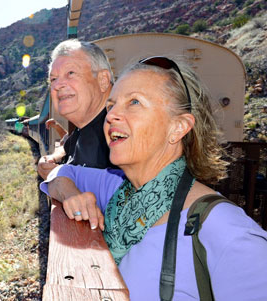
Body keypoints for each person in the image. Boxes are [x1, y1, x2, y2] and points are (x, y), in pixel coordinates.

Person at [40, 57, 267, 300]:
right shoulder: (117, 188)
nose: (111, 115)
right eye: (111, 105)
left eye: (134, 102)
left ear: (178, 127)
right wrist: (71, 194)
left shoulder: (227, 231)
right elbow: (59, 173)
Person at [37, 39, 115, 180]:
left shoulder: (123, 134)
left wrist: (58, 181)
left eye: (71, 73)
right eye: (53, 79)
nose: (57, 85)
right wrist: (53, 158)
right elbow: (66, 146)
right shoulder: (83, 128)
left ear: (103, 80)